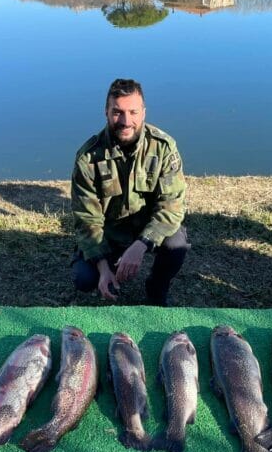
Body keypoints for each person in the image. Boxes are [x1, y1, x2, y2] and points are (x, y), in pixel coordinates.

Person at [71, 78, 189, 306]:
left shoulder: (164, 148)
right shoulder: (88, 157)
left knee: (176, 244)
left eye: (133, 112)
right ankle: (108, 271)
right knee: (84, 279)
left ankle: (156, 288)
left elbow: (172, 206)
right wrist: (103, 268)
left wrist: (142, 244)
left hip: (148, 230)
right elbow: (87, 219)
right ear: (106, 112)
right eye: (117, 112)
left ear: (143, 112)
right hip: (110, 233)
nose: (126, 121)